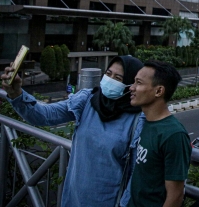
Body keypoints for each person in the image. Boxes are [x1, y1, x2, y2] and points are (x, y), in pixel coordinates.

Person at [1, 56, 144, 207]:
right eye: (108, 74)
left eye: (118, 78)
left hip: (107, 201)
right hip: (73, 197)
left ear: (131, 84)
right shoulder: (88, 99)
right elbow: (44, 115)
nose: (110, 80)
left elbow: (136, 176)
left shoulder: (137, 120)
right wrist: (16, 93)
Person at [124, 60, 191, 207]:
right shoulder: (147, 123)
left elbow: (175, 196)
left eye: (139, 83)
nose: (132, 88)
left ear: (159, 91)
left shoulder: (174, 135)